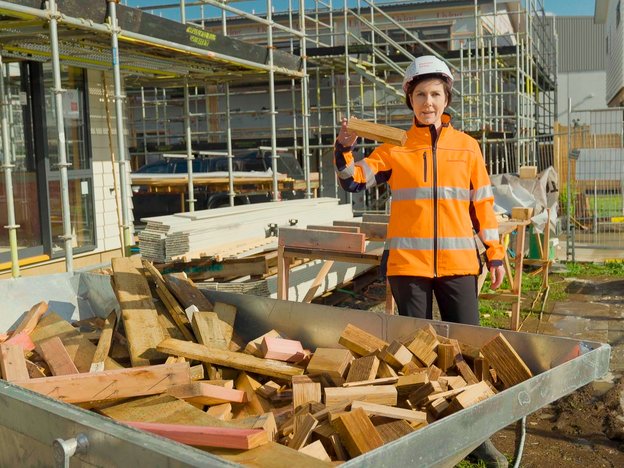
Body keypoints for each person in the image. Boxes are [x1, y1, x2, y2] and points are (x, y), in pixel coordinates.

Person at [334, 55, 508, 467]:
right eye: (420, 95)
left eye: (435, 94)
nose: (428, 102)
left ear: (446, 98)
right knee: (414, 355)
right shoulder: (395, 147)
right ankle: (422, 435)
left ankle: (477, 439)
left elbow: (482, 204)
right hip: (408, 268)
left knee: (466, 353)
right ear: (409, 100)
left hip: (459, 265)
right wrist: (343, 150)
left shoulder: (468, 147)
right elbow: (354, 180)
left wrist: (495, 252)